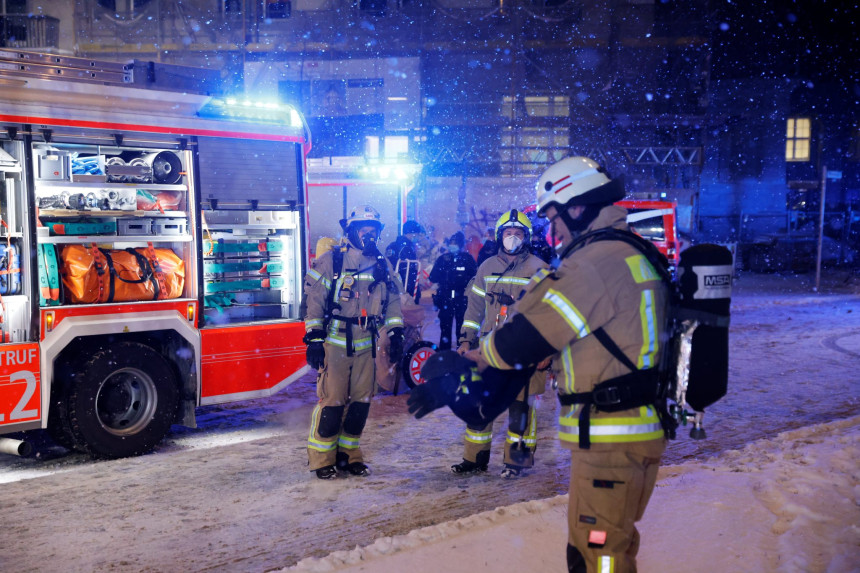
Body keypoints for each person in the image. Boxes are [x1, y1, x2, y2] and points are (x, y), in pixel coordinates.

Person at [465, 157, 670, 572]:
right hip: (633, 427)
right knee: (609, 546)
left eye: (554, 218)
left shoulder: (594, 262)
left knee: (598, 555)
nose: (551, 231)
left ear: (579, 207)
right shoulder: (634, 250)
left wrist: (474, 358)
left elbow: (523, 337)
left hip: (610, 437)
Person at [303, 205, 405, 479]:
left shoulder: (382, 264)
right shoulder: (331, 262)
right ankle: (322, 459)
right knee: (332, 403)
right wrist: (314, 337)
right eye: (364, 230)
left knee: (361, 404)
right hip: (335, 343)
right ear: (351, 231)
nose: (369, 235)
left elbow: (392, 302)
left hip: (367, 344)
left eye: (373, 231)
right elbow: (314, 302)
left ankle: (349, 457)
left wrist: (395, 332)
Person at [453, 209, 548, 478]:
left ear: (526, 237)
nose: (513, 238)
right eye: (508, 233)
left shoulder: (539, 269)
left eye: (518, 233)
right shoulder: (486, 268)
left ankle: (515, 462)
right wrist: (465, 340)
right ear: (499, 236)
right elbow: (474, 309)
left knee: (520, 409)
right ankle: (475, 459)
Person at [428, 231, 477, 350]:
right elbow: (433, 277)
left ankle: (462, 351)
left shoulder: (467, 259)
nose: (452, 245)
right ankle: (445, 355)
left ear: (460, 245)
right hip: (445, 298)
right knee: (445, 328)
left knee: (462, 328)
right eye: (451, 243)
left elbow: (475, 277)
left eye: (455, 243)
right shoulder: (442, 259)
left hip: (462, 298)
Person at [385, 220, 424, 303]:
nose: (418, 237)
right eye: (417, 234)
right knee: (410, 311)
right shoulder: (407, 248)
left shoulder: (392, 245)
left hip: (392, 284)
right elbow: (409, 270)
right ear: (413, 233)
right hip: (406, 285)